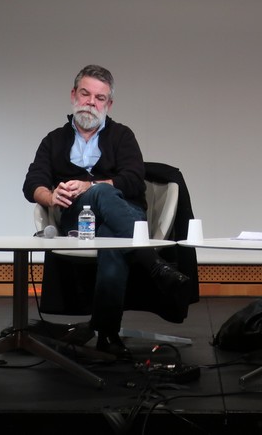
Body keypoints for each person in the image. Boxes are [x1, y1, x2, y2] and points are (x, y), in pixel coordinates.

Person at [22, 64, 191, 357]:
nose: (91, 102)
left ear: (108, 104)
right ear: (73, 95)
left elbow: (134, 180)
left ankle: (105, 332)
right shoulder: (53, 140)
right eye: (85, 94)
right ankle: (154, 266)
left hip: (126, 214)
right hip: (78, 221)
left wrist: (91, 186)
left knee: (110, 229)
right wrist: (51, 196)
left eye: (99, 98)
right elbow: (31, 184)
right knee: (103, 208)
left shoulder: (122, 136)